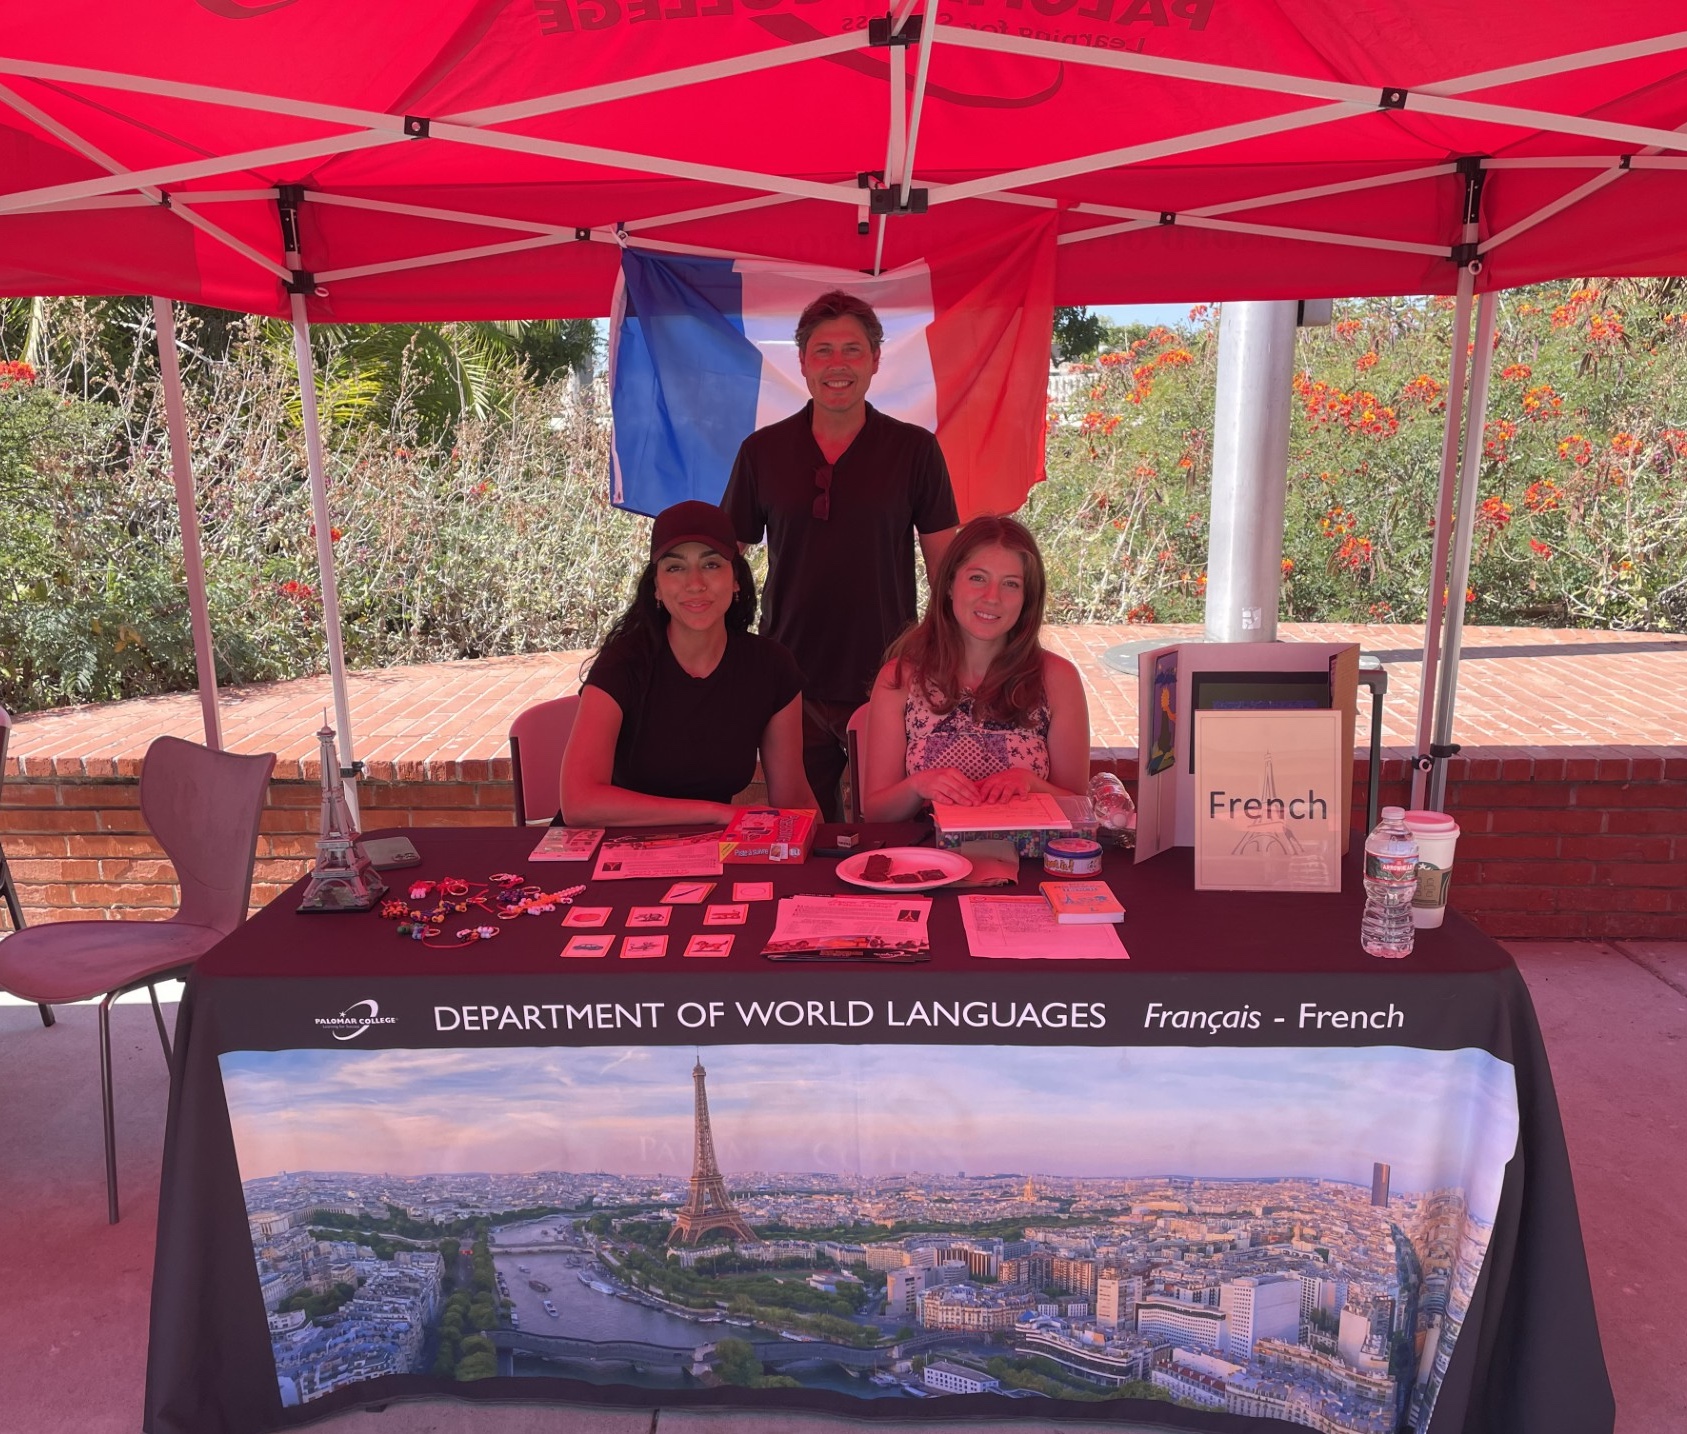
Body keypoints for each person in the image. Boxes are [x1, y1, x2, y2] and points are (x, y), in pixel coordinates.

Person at [722, 289, 959, 821]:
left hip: (889, 677)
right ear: (802, 363)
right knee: (801, 830)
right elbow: (723, 565)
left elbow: (949, 569)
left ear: (875, 361)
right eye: (823, 350)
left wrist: (951, 659)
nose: (837, 365)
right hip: (790, 680)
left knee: (892, 827)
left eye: (852, 350)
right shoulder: (762, 451)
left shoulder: (914, 450)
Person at [560, 500, 817, 826]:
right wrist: (716, 813)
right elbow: (578, 804)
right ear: (656, 586)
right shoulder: (623, 664)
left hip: (711, 853)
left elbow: (793, 799)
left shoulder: (772, 667)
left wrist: (832, 855)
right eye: (675, 567)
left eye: (711, 565)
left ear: (736, 578)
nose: (695, 583)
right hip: (613, 853)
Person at [862, 515, 1090, 821]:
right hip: (929, 860)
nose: (992, 597)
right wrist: (918, 786)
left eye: (1011, 584)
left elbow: (1080, 808)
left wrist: (1031, 784)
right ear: (949, 585)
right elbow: (876, 813)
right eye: (977, 578)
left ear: (1027, 600)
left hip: (1028, 861)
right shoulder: (899, 677)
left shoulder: (1058, 679)